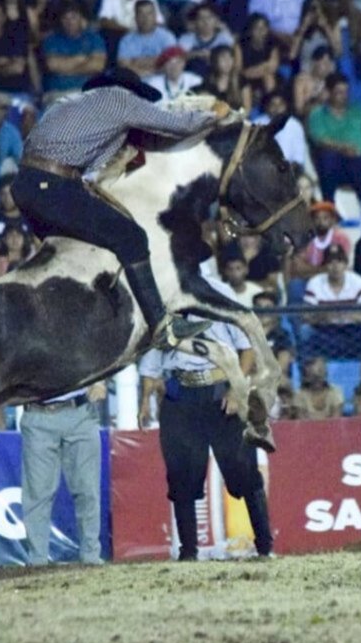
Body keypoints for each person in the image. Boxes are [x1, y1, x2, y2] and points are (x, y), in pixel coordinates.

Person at [12, 67, 227, 348]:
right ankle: (162, 325)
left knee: (74, 254)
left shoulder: (68, 103)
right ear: (132, 91)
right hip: (53, 185)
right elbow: (177, 125)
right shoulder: (121, 99)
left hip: (26, 185)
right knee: (132, 237)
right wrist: (215, 116)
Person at [138, 299, 274, 561]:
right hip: (180, 398)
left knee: (244, 471)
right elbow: (152, 360)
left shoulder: (218, 299)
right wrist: (145, 400)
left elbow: (247, 349)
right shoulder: (165, 306)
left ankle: (265, 547)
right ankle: (188, 552)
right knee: (181, 477)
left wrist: (236, 388)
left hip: (222, 393)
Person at [20, 382, 105, 566]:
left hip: (80, 411)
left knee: (87, 489)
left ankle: (90, 556)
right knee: (37, 493)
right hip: (37, 413)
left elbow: (95, 353)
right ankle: (37, 560)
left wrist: (100, 380)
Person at [306, 73, 361, 201]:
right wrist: (343, 148)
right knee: (327, 158)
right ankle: (329, 206)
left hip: (360, 161)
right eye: (339, 92)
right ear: (329, 93)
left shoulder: (359, 111)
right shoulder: (318, 114)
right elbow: (320, 140)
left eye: (346, 92)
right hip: (335, 164)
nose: (344, 96)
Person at [301, 244, 361, 359]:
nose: (335, 266)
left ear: (345, 264)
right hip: (325, 330)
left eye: (339, 261)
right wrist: (323, 317)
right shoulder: (315, 283)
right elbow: (305, 316)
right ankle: (310, 368)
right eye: (330, 262)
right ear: (325, 266)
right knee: (305, 331)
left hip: (352, 329)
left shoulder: (358, 281)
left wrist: (350, 316)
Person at [41, 3, 108, 102]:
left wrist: (65, 69)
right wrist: (83, 59)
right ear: (60, 20)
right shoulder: (51, 40)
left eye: (73, 17)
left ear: (81, 18)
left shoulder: (94, 38)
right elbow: (53, 66)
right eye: (65, 18)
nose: (70, 22)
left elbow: (97, 66)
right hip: (58, 93)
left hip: (88, 92)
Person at [117, 0, 177, 79]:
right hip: (136, 82)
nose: (145, 18)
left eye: (149, 13)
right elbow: (124, 67)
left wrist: (135, 61)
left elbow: (173, 63)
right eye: (141, 14)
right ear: (135, 17)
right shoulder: (126, 40)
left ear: (155, 16)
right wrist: (158, 60)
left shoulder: (167, 36)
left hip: (162, 82)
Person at [247, 0, 314, 52]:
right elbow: (254, 25)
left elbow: (314, 20)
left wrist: (299, 36)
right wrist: (280, 37)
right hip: (270, 45)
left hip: (304, 43)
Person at [177, 2, 234, 78]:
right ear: (195, 22)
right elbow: (177, 58)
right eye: (201, 18)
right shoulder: (187, 38)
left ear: (216, 20)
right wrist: (197, 54)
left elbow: (232, 57)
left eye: (209, 17)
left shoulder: (224, 38)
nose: (205, 22)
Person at [237, 14, 280, 109]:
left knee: (269, 77)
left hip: (265, 78)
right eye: (257, 28)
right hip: (246, 79)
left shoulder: (272, 43)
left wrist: (258, 70)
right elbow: (239, 71)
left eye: (263, 28)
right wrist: (264, 66)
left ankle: (271, 106)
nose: (261, 31)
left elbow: (273, 66)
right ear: (250, 30)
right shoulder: (241, 45)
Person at [292, 355, 344, 420]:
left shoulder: (335, 391)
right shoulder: (299, 394)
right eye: (313, 377)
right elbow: (302, 422)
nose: (317, 381)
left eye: (321, 372)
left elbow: (336, 420)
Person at [292, 45, 336, 119]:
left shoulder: (333, 81)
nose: (327, 67)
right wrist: (319, 100)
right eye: (324, 63)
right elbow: (299, 111)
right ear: (314, 63)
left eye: (329, 64)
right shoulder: (302, 80)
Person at [218, 242, 262, 307]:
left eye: (238, 268)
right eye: (230, 269)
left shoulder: (256, 291)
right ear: (225, 272)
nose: (234, 273)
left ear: (246, 270)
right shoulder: (220, 292)